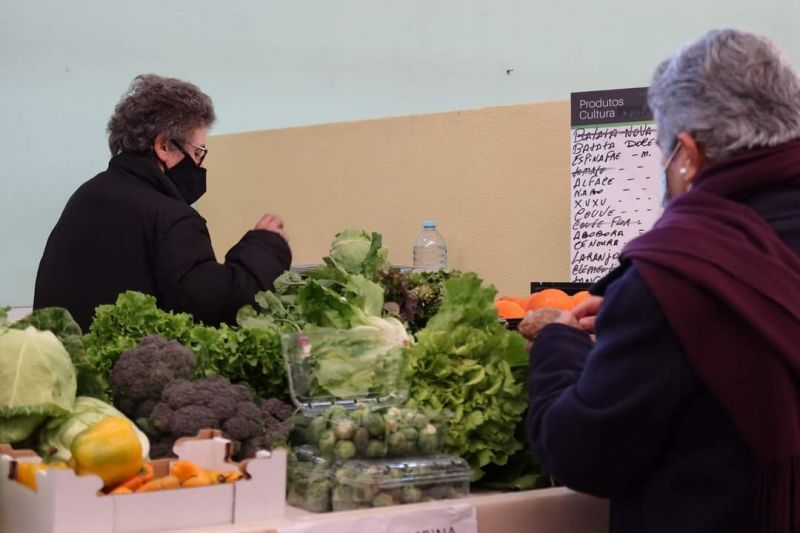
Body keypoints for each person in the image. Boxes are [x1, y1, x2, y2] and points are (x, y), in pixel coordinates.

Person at [524, 29, 800, 533]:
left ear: (689, 153)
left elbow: (583, 454)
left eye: (664, 151)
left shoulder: (678, 275)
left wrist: (559, 346)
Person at [34, 74, 291, 331]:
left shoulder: (85, 196)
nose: (200, 164)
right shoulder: (170, 218)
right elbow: (217, 307)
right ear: (164, 147)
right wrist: (265, 247)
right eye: (198, 152)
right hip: (129, 371)